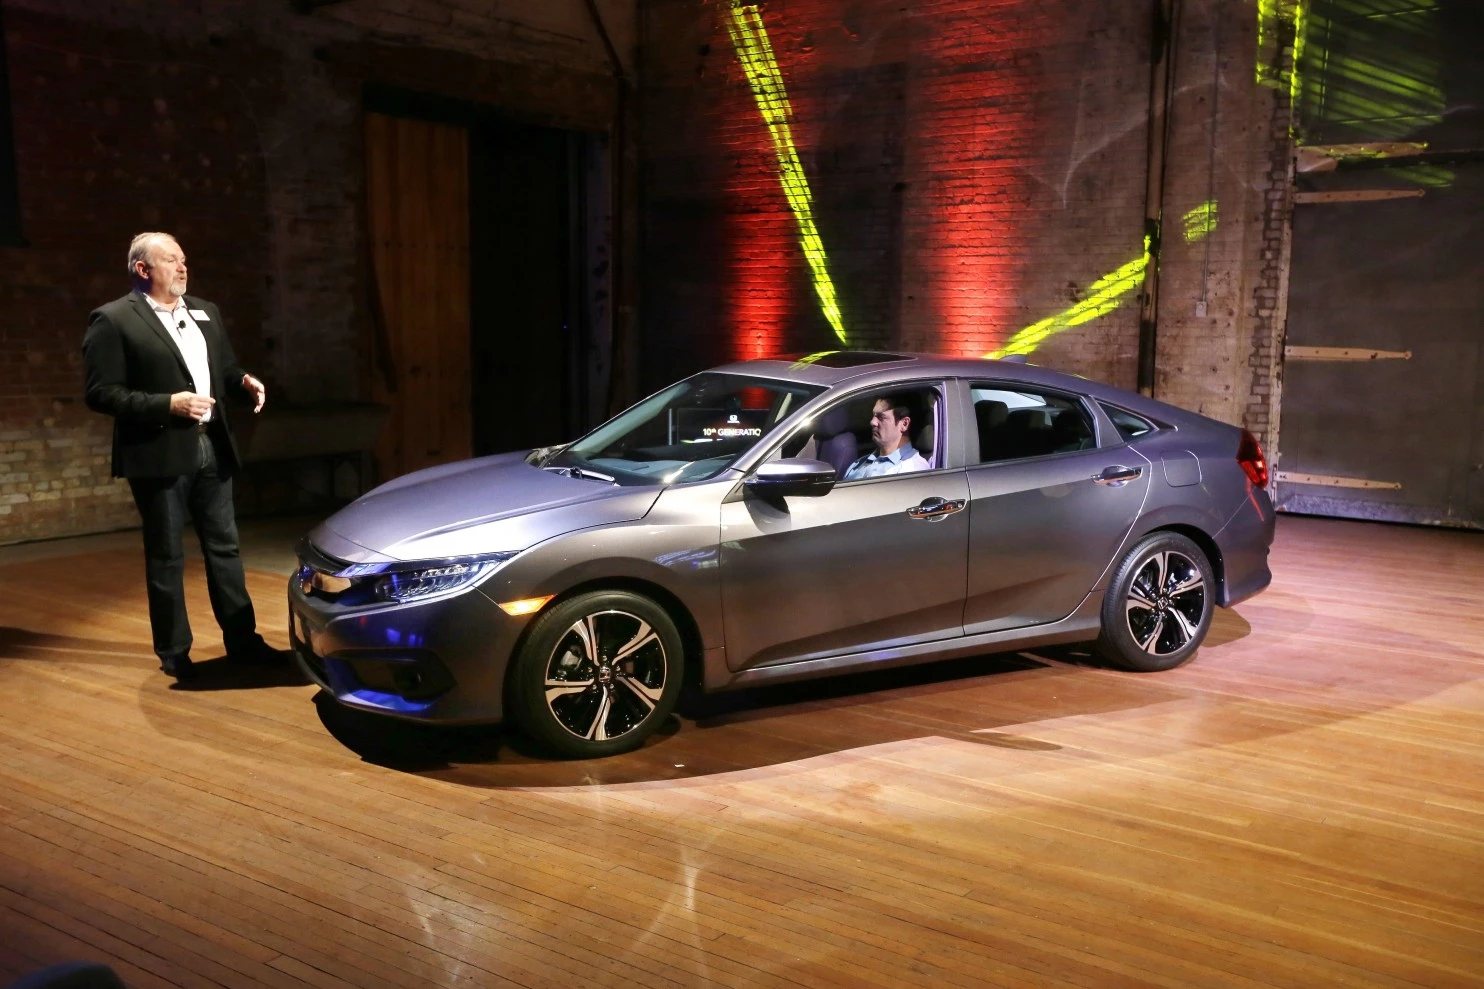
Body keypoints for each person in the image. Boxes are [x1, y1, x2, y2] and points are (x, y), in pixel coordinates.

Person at [82, 232, 273, 681]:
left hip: (212, 444)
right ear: (143, 269)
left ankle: (243, 640)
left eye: (183, 259)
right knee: (167, 554)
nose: (183, 267)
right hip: (158, 451)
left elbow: (223, 368)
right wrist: (166, 405)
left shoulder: (205, 311)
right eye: (171, 260)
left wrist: (242, 380)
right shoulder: (114, 319)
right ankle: (174, 650)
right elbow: (101, 392)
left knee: (225, 547)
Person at [842, 394, 930, 480]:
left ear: (904, 424)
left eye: (881, 417)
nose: (872, 422)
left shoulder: (912, 469)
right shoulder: (858, 463)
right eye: (873, 415)